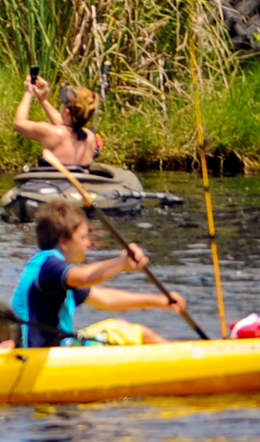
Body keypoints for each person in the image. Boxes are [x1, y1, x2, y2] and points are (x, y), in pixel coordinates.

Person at [12, 197, 188, 347]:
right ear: (64, 241)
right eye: (82, 237)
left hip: (51, 350)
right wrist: (121, 262)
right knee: (140, 334)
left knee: (121, 326)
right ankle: (187, 361)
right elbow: (86, 276)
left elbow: (105, 299)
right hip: (47, 356)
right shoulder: (50, 265)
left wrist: (160, 301)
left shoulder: (50, 271)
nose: (88, 244)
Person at [13, 74, 104, 169]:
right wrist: (43, 100)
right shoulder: (90, 138)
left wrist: (29, 92)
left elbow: (19, 122)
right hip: (79, 182)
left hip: (51, 182)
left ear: (66, 112)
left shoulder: (50, 132)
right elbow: (65, 126)